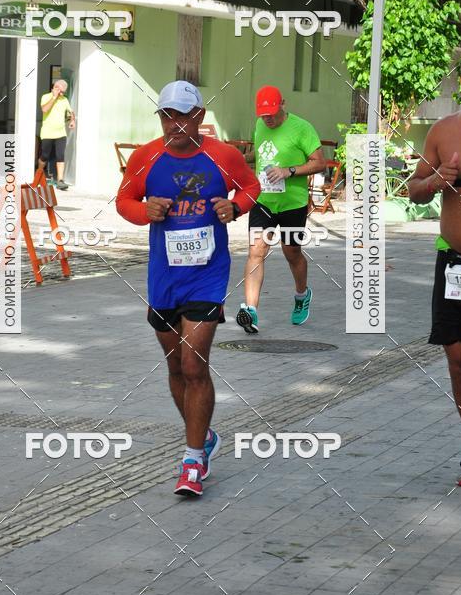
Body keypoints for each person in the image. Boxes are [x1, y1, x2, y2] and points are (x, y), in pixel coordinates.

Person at [116, 81, 260, 497]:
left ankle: (193, 459)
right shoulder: (146, 158)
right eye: (167, 115)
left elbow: (250, 186)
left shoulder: (223, 155)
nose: (175, 124)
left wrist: (235, 207)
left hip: (207, 275)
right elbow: (124, 200)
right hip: (164, 277)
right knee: (176, 366)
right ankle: (204, 436)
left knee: (194, 365)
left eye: (183, 115)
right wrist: (145, 211)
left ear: (200, 116)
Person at [408, 44, 461, 487]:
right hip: (454, 266)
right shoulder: (442, 131)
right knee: (456, 363)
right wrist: (436, 181)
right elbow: (413, 190)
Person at [236, 85, 325, 334]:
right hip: (263, 200)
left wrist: (289, 171)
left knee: (291, 252)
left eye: (272, 114)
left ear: (282, 104)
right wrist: (242, 159)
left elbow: (320, 163)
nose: (268, 119)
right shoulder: (260, 126)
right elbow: (262, 153)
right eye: (263, 115)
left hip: (292, 203)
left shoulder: (302, 128)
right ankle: (251, 311)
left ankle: (301, 295)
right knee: (256, 250)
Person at [38, 79, 75, 190]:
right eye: (61, 91)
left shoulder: (64, 100)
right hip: (47, 133)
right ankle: (39, 175)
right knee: (44, 156)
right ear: (55, 88)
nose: (62, 94)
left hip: (61, 133)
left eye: (64, 92)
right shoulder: (45, 97)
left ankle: (60, 181)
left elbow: (71, 111)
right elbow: (44, 109)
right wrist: (54, 97)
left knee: (60, 156)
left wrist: (73, 120)